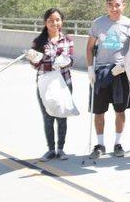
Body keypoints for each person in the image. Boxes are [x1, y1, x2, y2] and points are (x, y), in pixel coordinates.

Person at [87, 0, 130, 159]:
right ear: (106, 5)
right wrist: (90, 68)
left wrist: (126, 65)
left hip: (121, 72)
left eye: (117, 5)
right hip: (102, 72)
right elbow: (90, 47)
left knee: (120, 110)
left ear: (123, 5)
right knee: (99, 111)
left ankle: (118, 143)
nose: (114, 8)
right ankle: (100, 144)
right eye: (110, 5)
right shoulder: (98, 24)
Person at [26, 8, 74, 161]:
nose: (54, 23)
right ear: (45, 23)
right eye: (51, 20)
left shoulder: (68, 39)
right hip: (44, 83)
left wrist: (65, 61)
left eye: (57, 20)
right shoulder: (38, 41)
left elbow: (71, 60)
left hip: (63, 83)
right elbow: (35, 65)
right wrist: (34, 59)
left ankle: (61, 149)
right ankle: (50, 150)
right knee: (47, 116)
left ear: (62, 21)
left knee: (62, 115)